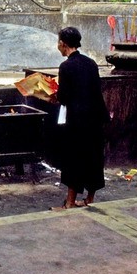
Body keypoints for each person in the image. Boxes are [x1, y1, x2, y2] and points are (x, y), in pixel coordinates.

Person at [53, 26, 109, 209]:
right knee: (93, 159)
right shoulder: (91, 63)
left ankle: (69, 202)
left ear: (62, 44)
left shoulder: (66, 66)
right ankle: (89, 200)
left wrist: (53, 93)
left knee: (73, 160)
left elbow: (64, 97)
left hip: (77, 120)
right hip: (96, 117)